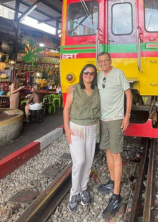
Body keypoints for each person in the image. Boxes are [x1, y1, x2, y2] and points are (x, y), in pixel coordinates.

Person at [96, 52, 132, 220]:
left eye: (106, 61)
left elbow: (128, 94)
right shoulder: (97, 76)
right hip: (103, 120)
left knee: (116, 154)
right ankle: (112, 182)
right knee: (108, 151)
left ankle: (116, 196)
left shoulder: (119, 73)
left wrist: (127, 115)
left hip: (116, 118)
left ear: (110, 61)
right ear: (98, 63)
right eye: (100, 61)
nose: (103, 63)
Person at [64, 64, 100, 212]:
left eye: (91, 73)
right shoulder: (74, 88)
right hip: (76, 128)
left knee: (89, 161)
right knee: (79, 161)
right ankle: (74, 193)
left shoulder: (98, 90)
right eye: (86, 73)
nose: (89, 75)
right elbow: (66, 109)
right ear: (82, 74)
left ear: (94, 76)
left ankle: (83, 188)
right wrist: (66, 129)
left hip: (92, 128)